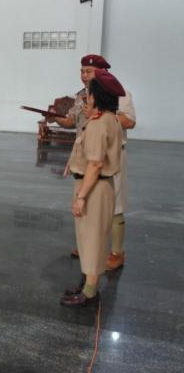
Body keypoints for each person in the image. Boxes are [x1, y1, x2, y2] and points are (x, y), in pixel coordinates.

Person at [61, 69, 124, 307]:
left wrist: (81, 197)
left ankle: (89, 291)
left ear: (97, 97)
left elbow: (96, 164)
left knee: (92, 240)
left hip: (94, 188)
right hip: (98, 186)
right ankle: (88, 284)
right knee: (90, 238)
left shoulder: (99, 124)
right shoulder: (109, 119)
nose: (87, 97)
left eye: (90, 93)